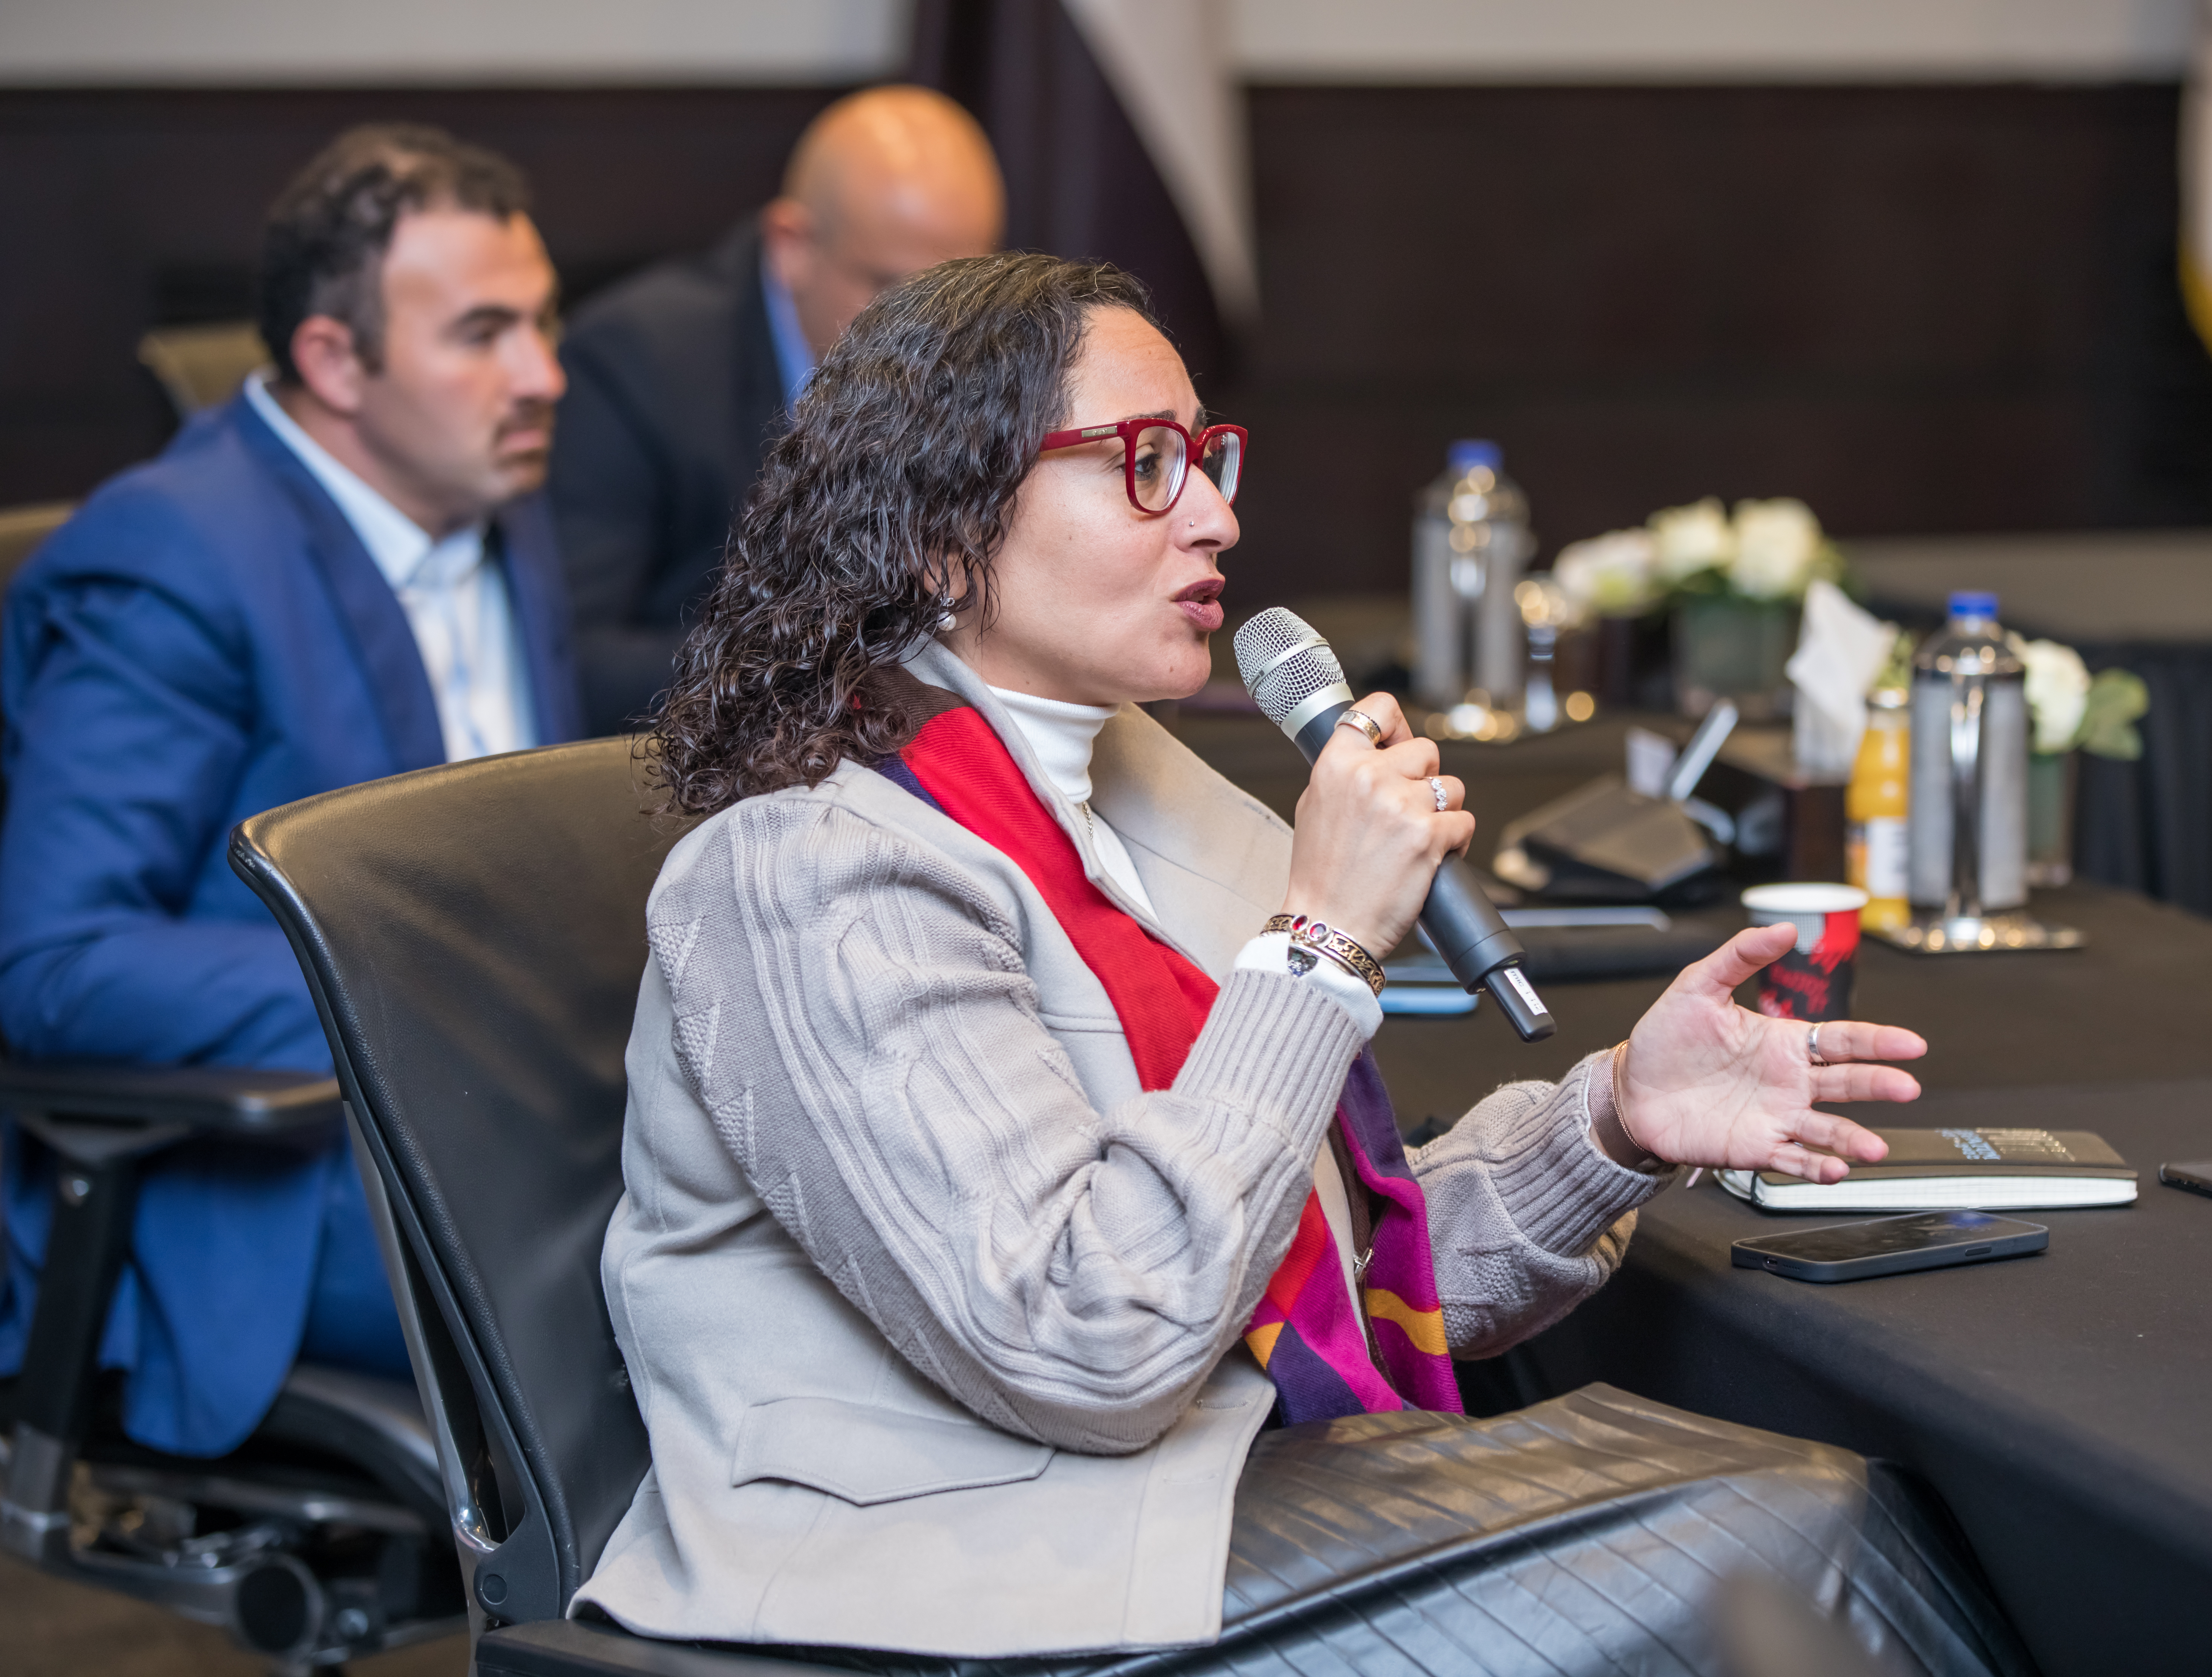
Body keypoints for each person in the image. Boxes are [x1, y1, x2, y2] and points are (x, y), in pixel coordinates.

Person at [568, 254, 2022, 1672]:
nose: (1212, 516)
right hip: (952, 1577)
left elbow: (1298, 1272)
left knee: (1821, 1489)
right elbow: (1094, 1339)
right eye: (1144, 461)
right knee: (1800, 1536)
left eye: (1207, 456)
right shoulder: (815, 874)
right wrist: (1318, 942)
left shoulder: (1152, 805)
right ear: (945, 533)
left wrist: (1615, 1116)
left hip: (1194, 1482)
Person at [0, 124, 582, 1458]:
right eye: (484, 332)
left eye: (545, 324)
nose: (544, 374)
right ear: (333, 360)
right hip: (270, 1193)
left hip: (503, 1138)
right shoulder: (172, 556)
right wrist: (435, 997)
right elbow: (55, 959)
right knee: (732, 1288)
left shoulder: (491, 491)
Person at [549, 84, 1004, 734]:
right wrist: (842, 664)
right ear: (792, 246)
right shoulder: (638, 365)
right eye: (892, 290)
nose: (933, 334)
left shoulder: (995, 361)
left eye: (962, 296)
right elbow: (572, 661)